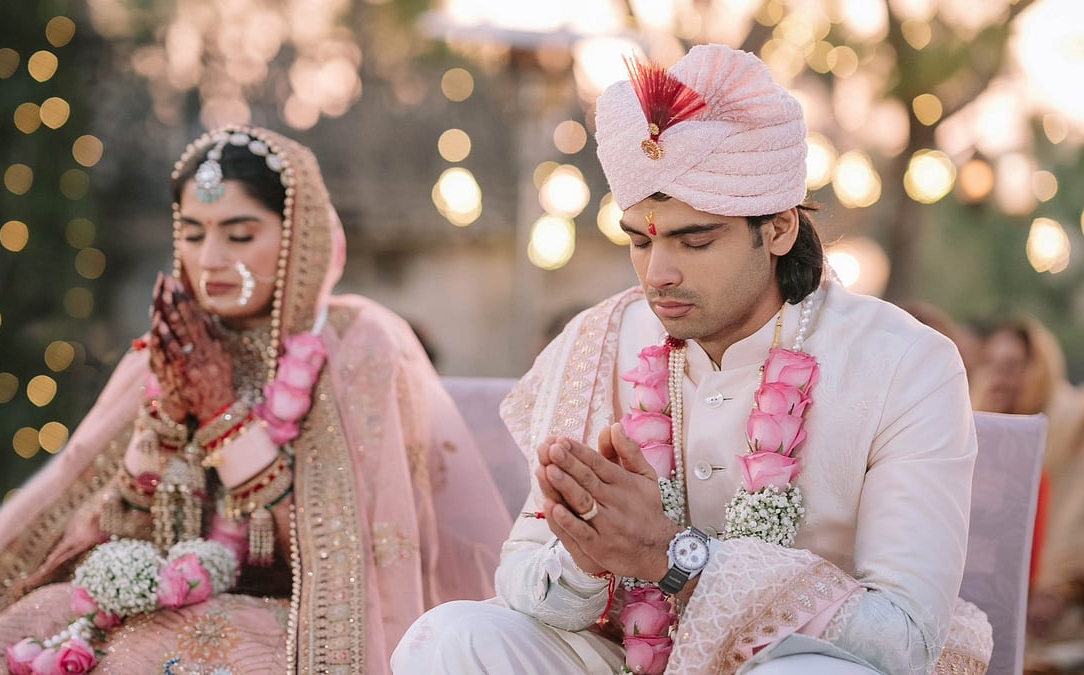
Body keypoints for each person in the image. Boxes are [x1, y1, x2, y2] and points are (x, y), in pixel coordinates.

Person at [393, 45, 992, 674]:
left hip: (795, 662)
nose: (659, 274)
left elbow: (902, 639)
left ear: (780, 230)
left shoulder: (904, 363)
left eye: (695, 240)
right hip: (622, 657)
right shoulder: (598, 340)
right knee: (450, 638)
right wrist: (587, 555)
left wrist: (671, 555)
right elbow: (520, 574)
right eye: (638, 240)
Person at [0, 127, 512, 673]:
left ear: (298, 239)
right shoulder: (169, 347)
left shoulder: (356, 347)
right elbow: (107, 529)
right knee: (28, 622)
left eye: (239, 235)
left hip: (296, 619)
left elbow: (345, 559)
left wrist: (223, 418)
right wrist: (161, 430)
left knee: (162, 652)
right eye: (193, 232)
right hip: (157, 595)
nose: (210, 259)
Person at [969, 317, 1084, 657]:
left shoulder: (1073, 431)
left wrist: (1060, 589)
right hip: (987, 612)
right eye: (992, 365)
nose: (1001, 378)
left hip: (1060, 620)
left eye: (1014, 366)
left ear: (1040, 371)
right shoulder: (974, 439)